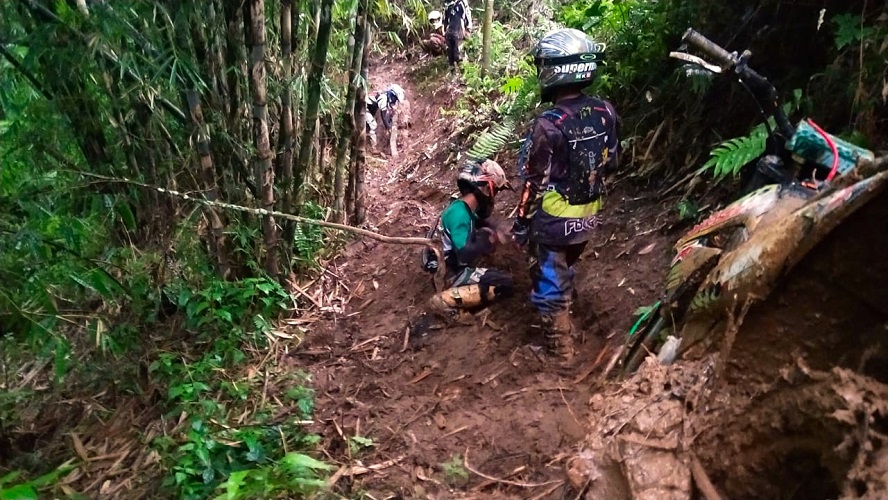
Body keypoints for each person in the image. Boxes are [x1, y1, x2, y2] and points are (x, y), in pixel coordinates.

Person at [511, 28, 619, 361]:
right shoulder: (606, 112)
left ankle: (559, 353)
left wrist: (520, 221)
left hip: (554, 219)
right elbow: (612, 162)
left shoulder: (548, 123)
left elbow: (534, 180)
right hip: (589, 216)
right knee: (560, 269)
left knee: (548, 280)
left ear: (554, 69)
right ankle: (565, 317)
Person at [428, 159, 514, 320]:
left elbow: (483, 223)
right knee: (504, 283)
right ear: (487, 188)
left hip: (453, 267)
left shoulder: (463, 210)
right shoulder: (459, 213)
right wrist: (487, 240)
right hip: (451, 273)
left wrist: (497, 232)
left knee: (499, 275)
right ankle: (446, 301)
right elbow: (465, 254)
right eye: (495, 191)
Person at [442, 0, 472, 72]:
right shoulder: (448, 3)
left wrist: (468, 28)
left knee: (458, 51)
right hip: (450, 30)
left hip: (459, 29)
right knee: (450, 52)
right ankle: (453, 69)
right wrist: (444, 29)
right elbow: (445, 17)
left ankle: (463, 70)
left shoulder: (462, 3)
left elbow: (467, 15)